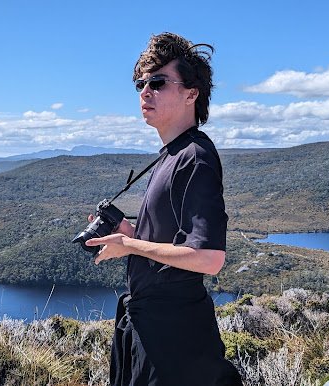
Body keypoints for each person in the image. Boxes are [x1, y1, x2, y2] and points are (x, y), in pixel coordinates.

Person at [85, 32, 242, 385]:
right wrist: (131, 233)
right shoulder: (174, 154)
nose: (145, 92)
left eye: (158, 82)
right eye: (141, 83)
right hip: (154, 329)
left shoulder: (195, 158)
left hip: (174, 340)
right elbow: (173, 240)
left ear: (191, 93)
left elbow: (208, 257)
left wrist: (129, 246)